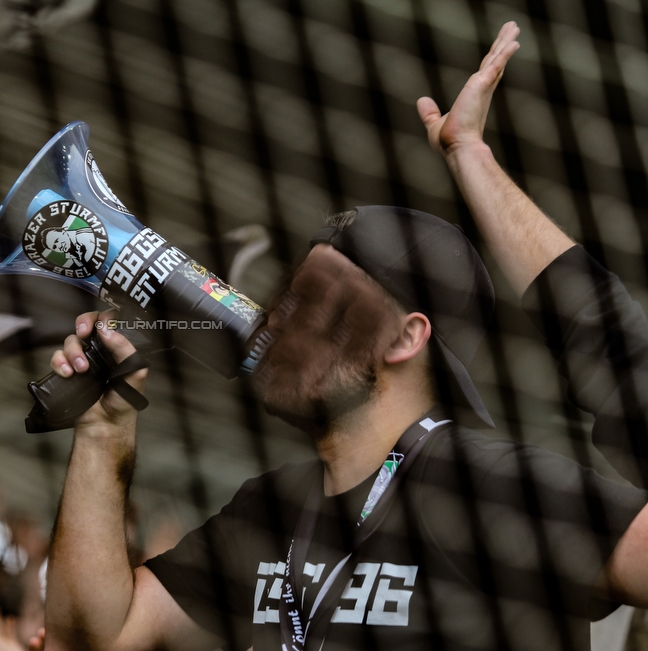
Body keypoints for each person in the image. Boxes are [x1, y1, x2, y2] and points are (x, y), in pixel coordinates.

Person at [41, 21, 648, 651]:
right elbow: (95, 636)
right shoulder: (271, 510)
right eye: (290, 296)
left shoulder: (487, 490)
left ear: (406, 338)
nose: (278, 318)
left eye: (317, 304)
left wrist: (473, 158)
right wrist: (103, 433)